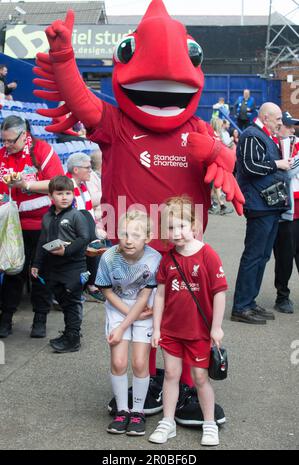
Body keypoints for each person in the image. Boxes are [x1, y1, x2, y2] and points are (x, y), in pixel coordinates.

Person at [34, 1, 244, 423]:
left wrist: (220, 154)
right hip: (132, 251)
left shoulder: (198, 131)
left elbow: (227, 162)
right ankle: (142, 386)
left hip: (186, 252)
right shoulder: (115, 124)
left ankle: (186, 390)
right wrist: (62, 57)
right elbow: (79, 100)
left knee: (187, 322)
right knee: (138, 323)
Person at [148, 196, 227, 446]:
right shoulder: (167, 259)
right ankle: (168, 421)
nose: (177, 232)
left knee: (201, 378)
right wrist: (156, 328)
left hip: (200, 331)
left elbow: (220, 292)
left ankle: (209, 423)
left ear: (194, 225)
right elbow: (160, 295)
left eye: (182, 226)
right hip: (171, 330)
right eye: (171, 227)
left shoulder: (208, 255)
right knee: (171, 374)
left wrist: (216, 327)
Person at [96, 210, 161, 436]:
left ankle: (138, 411)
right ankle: (122, 410)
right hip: (118, 307)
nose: (129, 239)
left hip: (144, 308)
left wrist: (132, 318)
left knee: (140, 363)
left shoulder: (154, 259)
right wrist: (126, 318)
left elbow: (145, 295)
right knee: (119, 361)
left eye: (136, 234)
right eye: (124, 233)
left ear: (148, 237)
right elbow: (106, 290)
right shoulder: (108, 257)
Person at [0, 115, 64, 338]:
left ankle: (40, 319)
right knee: (12, 271)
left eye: (10, 141)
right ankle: (6, 319)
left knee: (39, 273)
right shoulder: (2, 155)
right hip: (11, 226)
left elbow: (58, 182)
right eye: (3, 141)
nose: (6, 145)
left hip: (40, 224)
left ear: (24, 134)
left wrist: (25, 185)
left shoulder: (42, 150)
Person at [231, 103, 291, 324]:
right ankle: (241, 306)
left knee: (262, 256)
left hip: (269, 205)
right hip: (259, 205)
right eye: (277, 120)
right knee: (254, 256)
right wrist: (279, 164)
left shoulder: (263, 135)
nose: (280, 124)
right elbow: (249, 166)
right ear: (266, 118)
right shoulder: (251, 135)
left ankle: (249, 302)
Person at [32, 175, 90, 353]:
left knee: (72, 303)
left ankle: (73, 338)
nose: (65, 197)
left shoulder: (76, 215)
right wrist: (36, 264)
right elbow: (43, 241)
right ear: (51, 196)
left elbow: (84, 238)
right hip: (54, 269)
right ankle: (68, 333)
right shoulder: (47, 217)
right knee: (64, 303)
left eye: (68, 193)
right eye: (60, 193)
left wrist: (67, 250)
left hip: (74, 267)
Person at [66, 152, 104, 302]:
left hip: (84, 228)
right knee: (93, 244)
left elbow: (88, 212)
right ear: (76, 170)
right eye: (87, 168)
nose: (90, 170)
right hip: (70, 230)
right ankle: (88, 286)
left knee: (96, 243)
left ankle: (91, 284)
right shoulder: (67, 185)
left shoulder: (83, 185)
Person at [273, 111, 299, 314]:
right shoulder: (272, 146)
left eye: (293, 126)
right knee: (284, 257)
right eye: (288, 126)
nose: (292, 129)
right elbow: (286, 172)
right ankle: (282, 296)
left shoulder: (296, 144)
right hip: (285, 211)